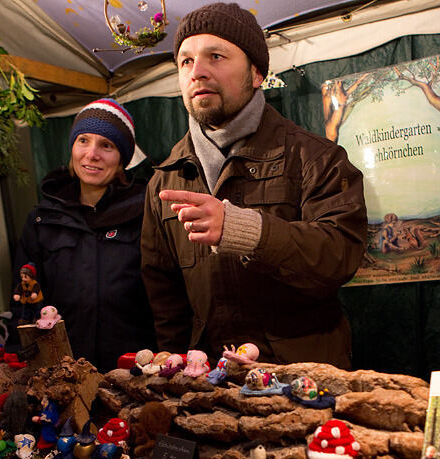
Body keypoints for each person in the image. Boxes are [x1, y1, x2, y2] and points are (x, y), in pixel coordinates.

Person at [140, 3, 368, 369]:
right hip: (210, 379)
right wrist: (178, 370)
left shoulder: (316, 157)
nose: (197, 72)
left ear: (257, 72)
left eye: (216, 56)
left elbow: (339, 255)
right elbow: (165, 299)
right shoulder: (163, 180)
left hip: (300, 377)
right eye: (185, 62)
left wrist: (245, 230)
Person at [14, 98, 155, 372]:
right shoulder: (42, 220)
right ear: (72, 147)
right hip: (64, 371)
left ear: (122, 158)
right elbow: (23, 298)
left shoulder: (146, 214)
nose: (92, 154)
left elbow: (167, 300)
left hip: (132, 369)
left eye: (107, 145)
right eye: (83, 141)